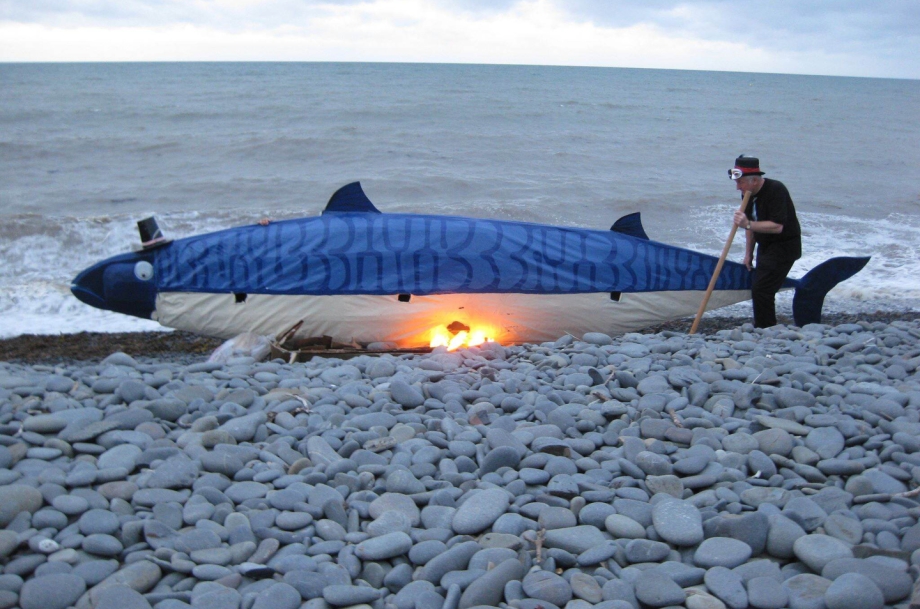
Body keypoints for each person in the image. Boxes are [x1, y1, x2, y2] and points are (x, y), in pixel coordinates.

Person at [729, 155, 801, 328]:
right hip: (765, 246)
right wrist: (748, 254)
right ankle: (765, 325)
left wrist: (748, 224)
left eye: (741, 183)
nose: (738, 187)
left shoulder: (776, 190)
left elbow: (777, 226)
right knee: (761, 286)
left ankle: (766, 328)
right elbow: (750, 228)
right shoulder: (748, 194)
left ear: (754, 180)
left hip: (785, 245)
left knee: (762, 289)